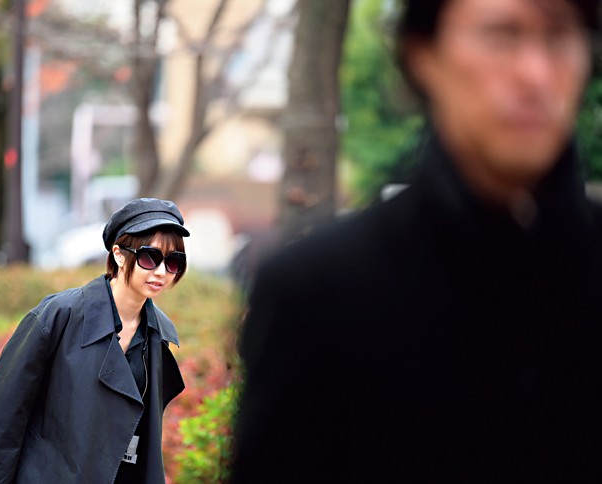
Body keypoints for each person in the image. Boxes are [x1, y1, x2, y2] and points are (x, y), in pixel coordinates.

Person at [230, 0, 602, 482]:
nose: (535, 73)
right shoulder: (318, 292)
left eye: (559, 36)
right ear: (422, 53)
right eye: (501, 36)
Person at [0, 198, 190, 483]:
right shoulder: (59, 316)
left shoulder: (156, 336)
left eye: (173, 261)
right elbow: (3, 416)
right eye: (149, 257)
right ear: (119, 255)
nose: (161, 271)